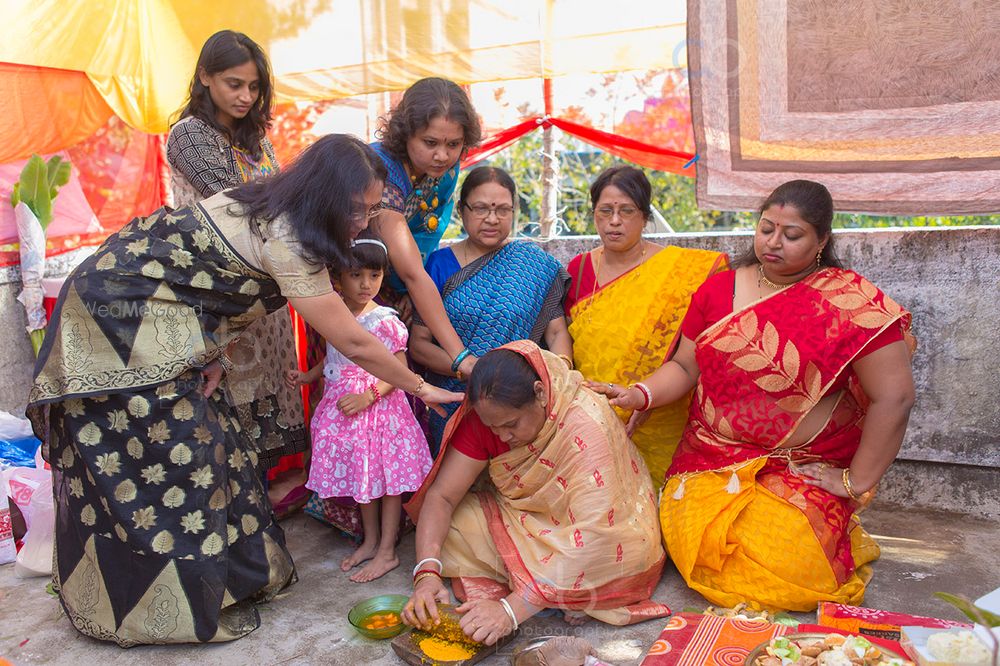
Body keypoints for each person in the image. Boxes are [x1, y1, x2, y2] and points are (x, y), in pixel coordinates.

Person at [26, 134, 462, 646]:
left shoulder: (274, 206)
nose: (362, 224)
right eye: (354, 209)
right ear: (322, 194)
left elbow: (210, 284)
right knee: (173, 461)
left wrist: (211, 350)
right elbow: (351, 339)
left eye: (370, 211)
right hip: (114, 320)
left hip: (159, 319)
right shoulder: (290, 238)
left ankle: (228, 582)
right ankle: (157, 611)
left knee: (224, 444)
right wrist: (420, 387)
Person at [595, 180, 916, 611]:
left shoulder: (849, 301)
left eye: (792, 234)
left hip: (799, 466)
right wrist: (640, 393)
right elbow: (686, 366)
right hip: (711, 460)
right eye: (766, 228)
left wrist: (854, 481)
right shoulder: (718, 290)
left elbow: (894, 397)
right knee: (699, 546)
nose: (774, 242)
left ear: (822, 239)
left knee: (798, 566)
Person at [401, 342, 670, 647]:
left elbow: (597, 534)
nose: (502, 435)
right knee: (455, 523)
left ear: (541, 393)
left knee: (609, 556)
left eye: (511, 425)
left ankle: (543, 591)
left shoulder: (584, 421)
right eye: (493, 427)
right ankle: (557, 594)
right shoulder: (486, 419)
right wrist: (426, 575)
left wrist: (509, 612)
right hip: (528, 520)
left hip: (603, 534)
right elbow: (442, 497)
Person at [166, 30, 306, 505]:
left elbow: (275, 203)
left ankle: (256, 511)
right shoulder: (190, 135)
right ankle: (233, 515)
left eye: (253, 87)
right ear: (205, 77)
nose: (246, 96)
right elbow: (234, 200)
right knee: (226, 398)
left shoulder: (256, 138)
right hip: (215, 286)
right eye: (234, 84)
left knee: (265, 390)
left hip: (262, 287)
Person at [286, 232, 432, 583]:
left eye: (375, 275)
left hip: (380, 413)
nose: (366, 284)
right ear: (337, 277)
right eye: (356, 275)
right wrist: (309, 376)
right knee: (363, 480)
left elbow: (398, 368)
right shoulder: (335, 313)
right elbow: (338, 353)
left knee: (388, 484)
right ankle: (369, 541)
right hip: (347, 414)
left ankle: (387, 550)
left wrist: (369, 396)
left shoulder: (384, 319)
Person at [565, 166, 727, 483]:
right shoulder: (581, 268)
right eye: (605, 211)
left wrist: (644, 395)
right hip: (591, 420)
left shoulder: (682, 273)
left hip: (659, 416)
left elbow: (690, 359)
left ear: (644, 215)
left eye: (626, 211)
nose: (614, 221)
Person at [409, 166, 572, 452]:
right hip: (454, 402)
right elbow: (419, 345)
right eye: (481, 209)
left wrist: (560, 378)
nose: (492, 219)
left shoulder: (533, 264)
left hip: (519, 406)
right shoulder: (438, 265)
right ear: (462, 210)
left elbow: (557, 331)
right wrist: (469, 369)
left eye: (503, 210)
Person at [368, 77, 483, 374]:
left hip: (404, 286)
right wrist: (460, 358)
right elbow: (410, 268)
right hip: (350, 289)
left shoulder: (446, 170)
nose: (443, 155)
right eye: (430, 143)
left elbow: (426, 235)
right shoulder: (380, 169)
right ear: (405, 134)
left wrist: (408, 291)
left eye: (454, 144)